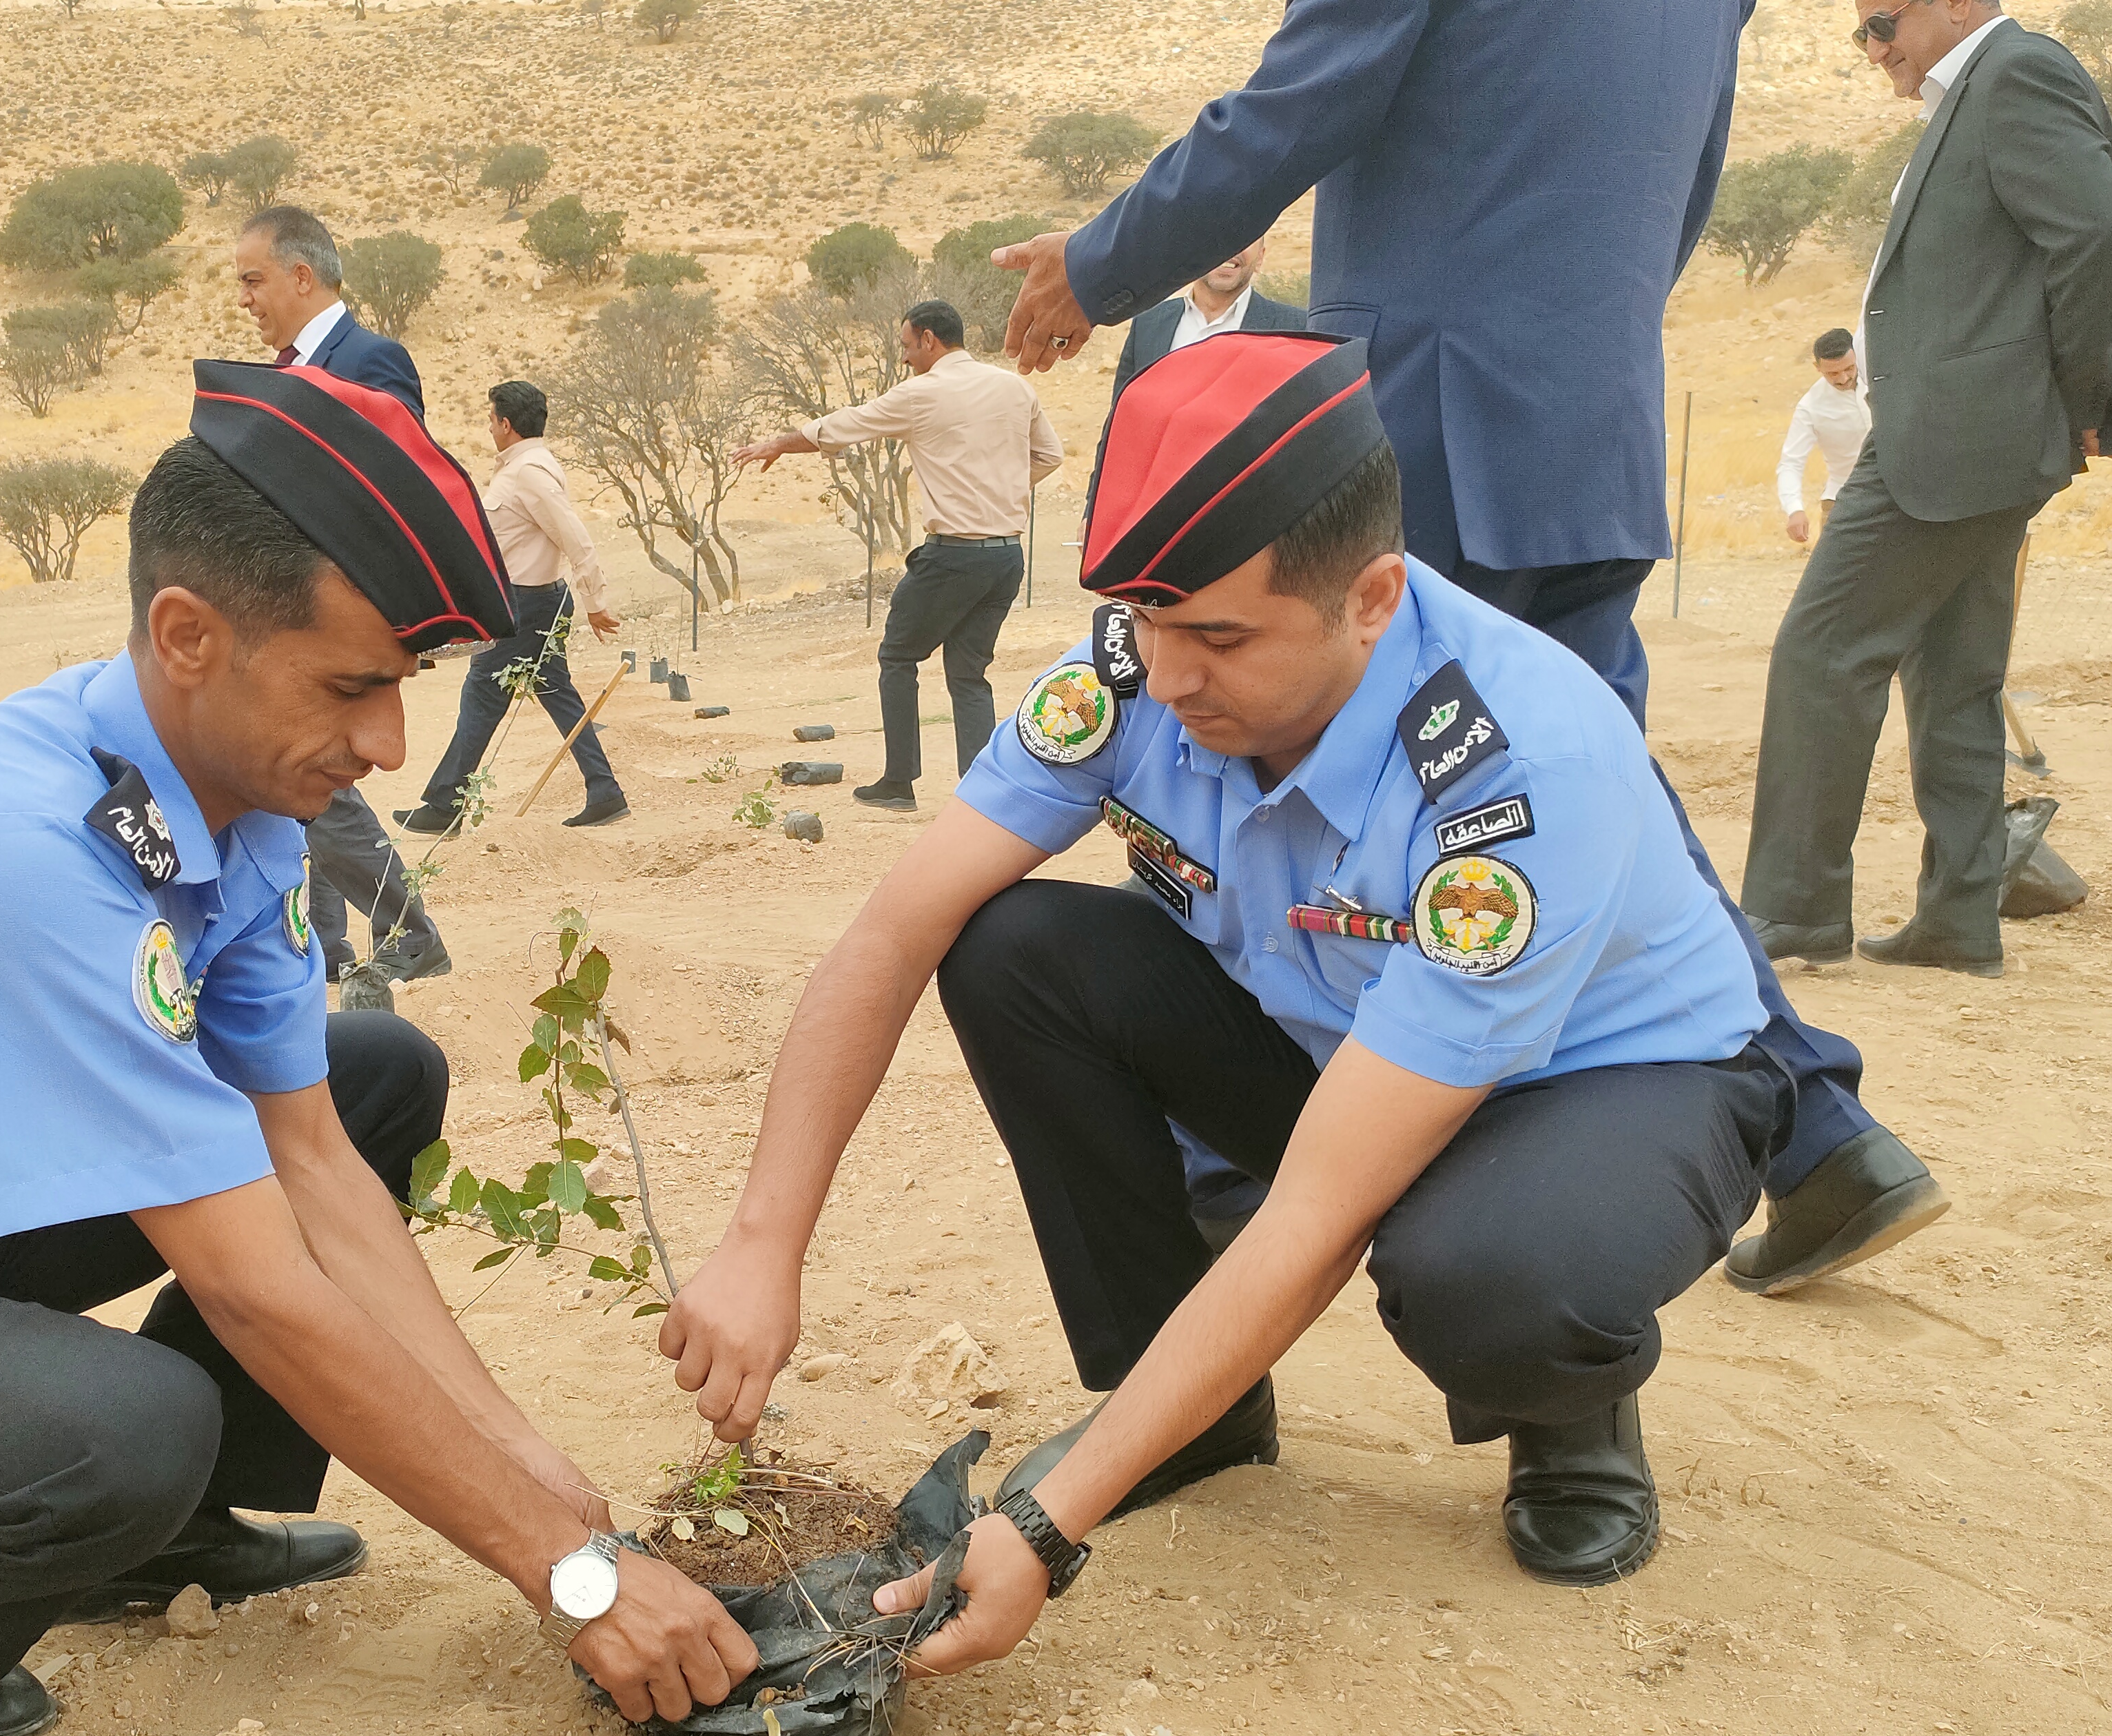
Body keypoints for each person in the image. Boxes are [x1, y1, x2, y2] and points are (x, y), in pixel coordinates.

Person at [0, 362, 755, 1736]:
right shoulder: (24, 857)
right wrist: (570, 1574)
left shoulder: (228, 807)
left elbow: (310, 1162)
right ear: (187, 633)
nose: (386, 742)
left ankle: (149, 1538)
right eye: (352, 686)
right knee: (129, 1426)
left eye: (405, 685)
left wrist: (545, 1483)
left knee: (370, 1079)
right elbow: (255, 1284)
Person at [659, 338, 1790, 1669]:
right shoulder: (1139, 670)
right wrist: (759, 1241)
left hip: (1605, 1089)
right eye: (1145, 622)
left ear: (1368, 598)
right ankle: (1185, 1413)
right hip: (1341, 1042)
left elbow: (1321, 1207)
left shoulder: (1511, 764)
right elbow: (891, 930)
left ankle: (1564, 1412)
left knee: (1479, 1266)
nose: (1170, 676)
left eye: (1217, 636)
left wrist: (1045, 1518)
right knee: (1008, 944)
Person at [982, 0, 1942, 1298]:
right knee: (1596, 789)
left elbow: (1292, 110)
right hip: (1586, 411)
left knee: (1274, 744)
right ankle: (1818, 1128)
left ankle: (1233, 1166)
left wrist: (1096, 264)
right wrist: (1569, 339)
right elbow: (1688, 171)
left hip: (1426, 414)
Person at [1741, 1, 2112, 978]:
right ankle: (1958, 921)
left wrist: (2073, 395)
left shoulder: (2018, 71)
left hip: (1968, 432)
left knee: (1822, 647)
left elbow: (2098, 235)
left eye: (1882, 20)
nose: (1873, 47)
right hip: (1972, 433)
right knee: (1952, 673)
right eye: (1861, 30)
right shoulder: (1973, 92)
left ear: (1957, 4)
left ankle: (1795, 907)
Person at [230, 203, 448, 1009]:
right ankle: (323, 944)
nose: (244, 299)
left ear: (300, 274)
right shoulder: (284, 376)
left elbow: (395, 496)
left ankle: (413, 939)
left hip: (342, 623)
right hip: (283, 619)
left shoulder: (372, 361)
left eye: (253, 280)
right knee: (295, 788)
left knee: (312, 779)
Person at [730, 300, 1063, 813]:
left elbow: (843, 426)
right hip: (1006, 558)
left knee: (898, 656)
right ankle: (981, 794)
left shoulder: (923, 393)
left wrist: (779, 441)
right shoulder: (1014, 387)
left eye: (907, 346)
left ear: (929, 339)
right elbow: (1050, 456)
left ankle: (899, 781)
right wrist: (1000, 495)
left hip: (953, 556)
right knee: (969, 673)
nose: (905, 357)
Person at [395, 380, 626, 833]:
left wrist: (596, 602)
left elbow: (574, 536)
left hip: (527, 606)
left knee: (480, 696)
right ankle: (605, 791)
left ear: (506, 424)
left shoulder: (529, 472)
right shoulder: (526, 467)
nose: (488, 427)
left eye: (490, 419)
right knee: (556, 697)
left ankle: (446, 807)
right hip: (532, 603)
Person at [1107, 239, 1309, 404]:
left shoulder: (1296, 331)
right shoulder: (1148, 323)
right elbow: (1119, 426)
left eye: (1248, 235)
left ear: (1260, 258)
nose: (1230, 246)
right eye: (1219, 233)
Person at [1776, 327, 1871, 546]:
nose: (1843, 378)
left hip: (1900, 495)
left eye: (1849, 368)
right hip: (1844, 500)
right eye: (1833, 374)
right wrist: (1794, 509)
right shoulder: (1810, 407)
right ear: (1817, 368)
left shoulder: (1881, 382)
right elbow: (1791, 463)